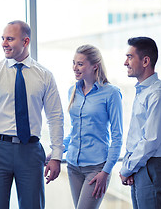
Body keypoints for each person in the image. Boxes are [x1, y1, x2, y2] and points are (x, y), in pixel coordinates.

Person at [0, 20, 64, 209]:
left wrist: (56, 156)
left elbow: (55, 117)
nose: (4, 43)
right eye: (3, 38)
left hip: (30, 151)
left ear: (26, 41)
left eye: (10, 39)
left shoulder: (44, 76)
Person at [61, 45, 123, 209]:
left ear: (95, 65)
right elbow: (75, 132)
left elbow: (117, 138)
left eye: (80, 64)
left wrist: (106, 172)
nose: (75, 68)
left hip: (96, 169)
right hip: (73, 166)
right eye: (74, 63)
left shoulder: (111, 93)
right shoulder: (72, 91)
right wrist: (57, 151)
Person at [120, 37, 161, 209]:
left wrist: (127, 168)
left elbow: (150, 140)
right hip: (140, 164)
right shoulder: (143, 91)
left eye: (130, 57)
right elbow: (136, 136)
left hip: (151, 164)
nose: (125, 62)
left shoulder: (159, 94)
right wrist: (129, 166)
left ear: (145, 61)